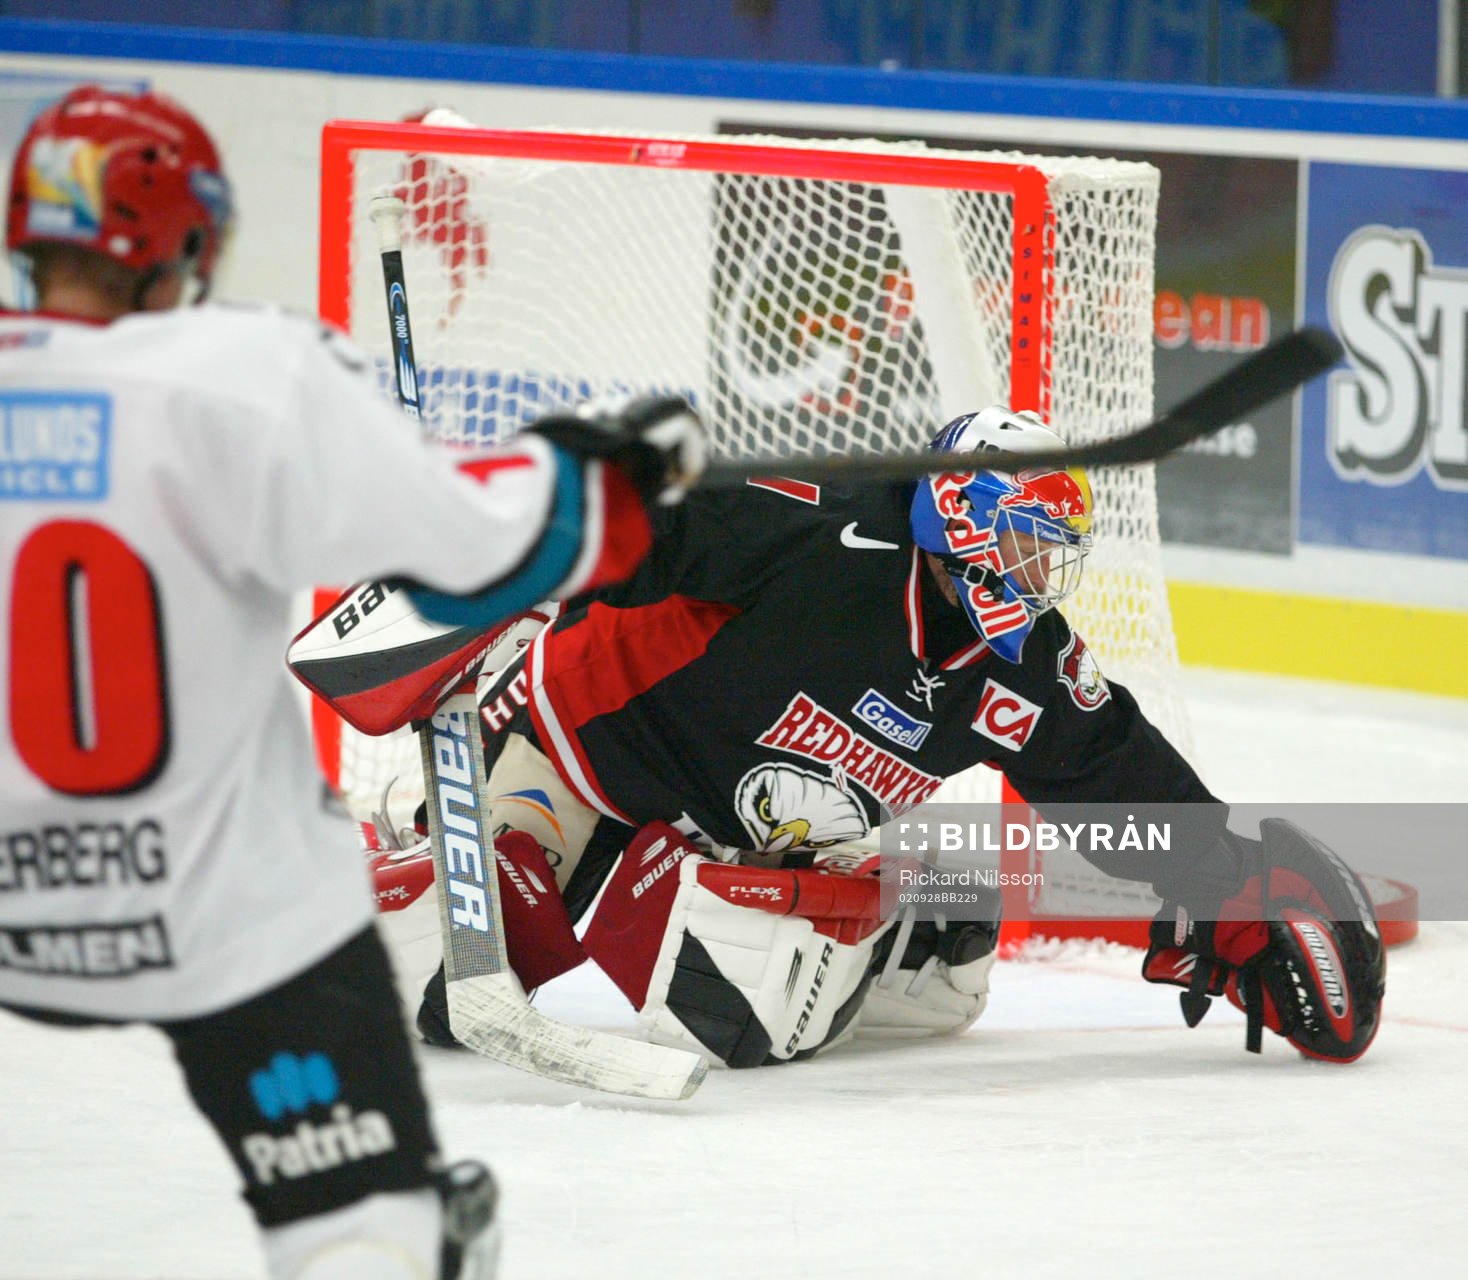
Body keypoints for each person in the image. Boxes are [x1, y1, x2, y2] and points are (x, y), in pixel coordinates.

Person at [0, 85, 701, 1280]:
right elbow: (482, 547)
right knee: (359, 1235)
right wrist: (607, 476)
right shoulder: (241, 376)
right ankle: (382, 1229)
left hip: (17, 915)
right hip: (228, 930)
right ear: (183, 244)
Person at [375, 405, 1385, 1072]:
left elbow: (1113, 779)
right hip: (575, 760)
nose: (1039, 578)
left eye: (1051, 558)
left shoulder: (1021, 668)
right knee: (434, 968)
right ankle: (402, 858)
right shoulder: (821, 531)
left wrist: (1230, 898)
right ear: (968, 519)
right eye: (1028, 547)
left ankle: (828, 911)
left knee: (792, 996)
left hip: (732, 849)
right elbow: (649, 534)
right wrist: (510, 542)